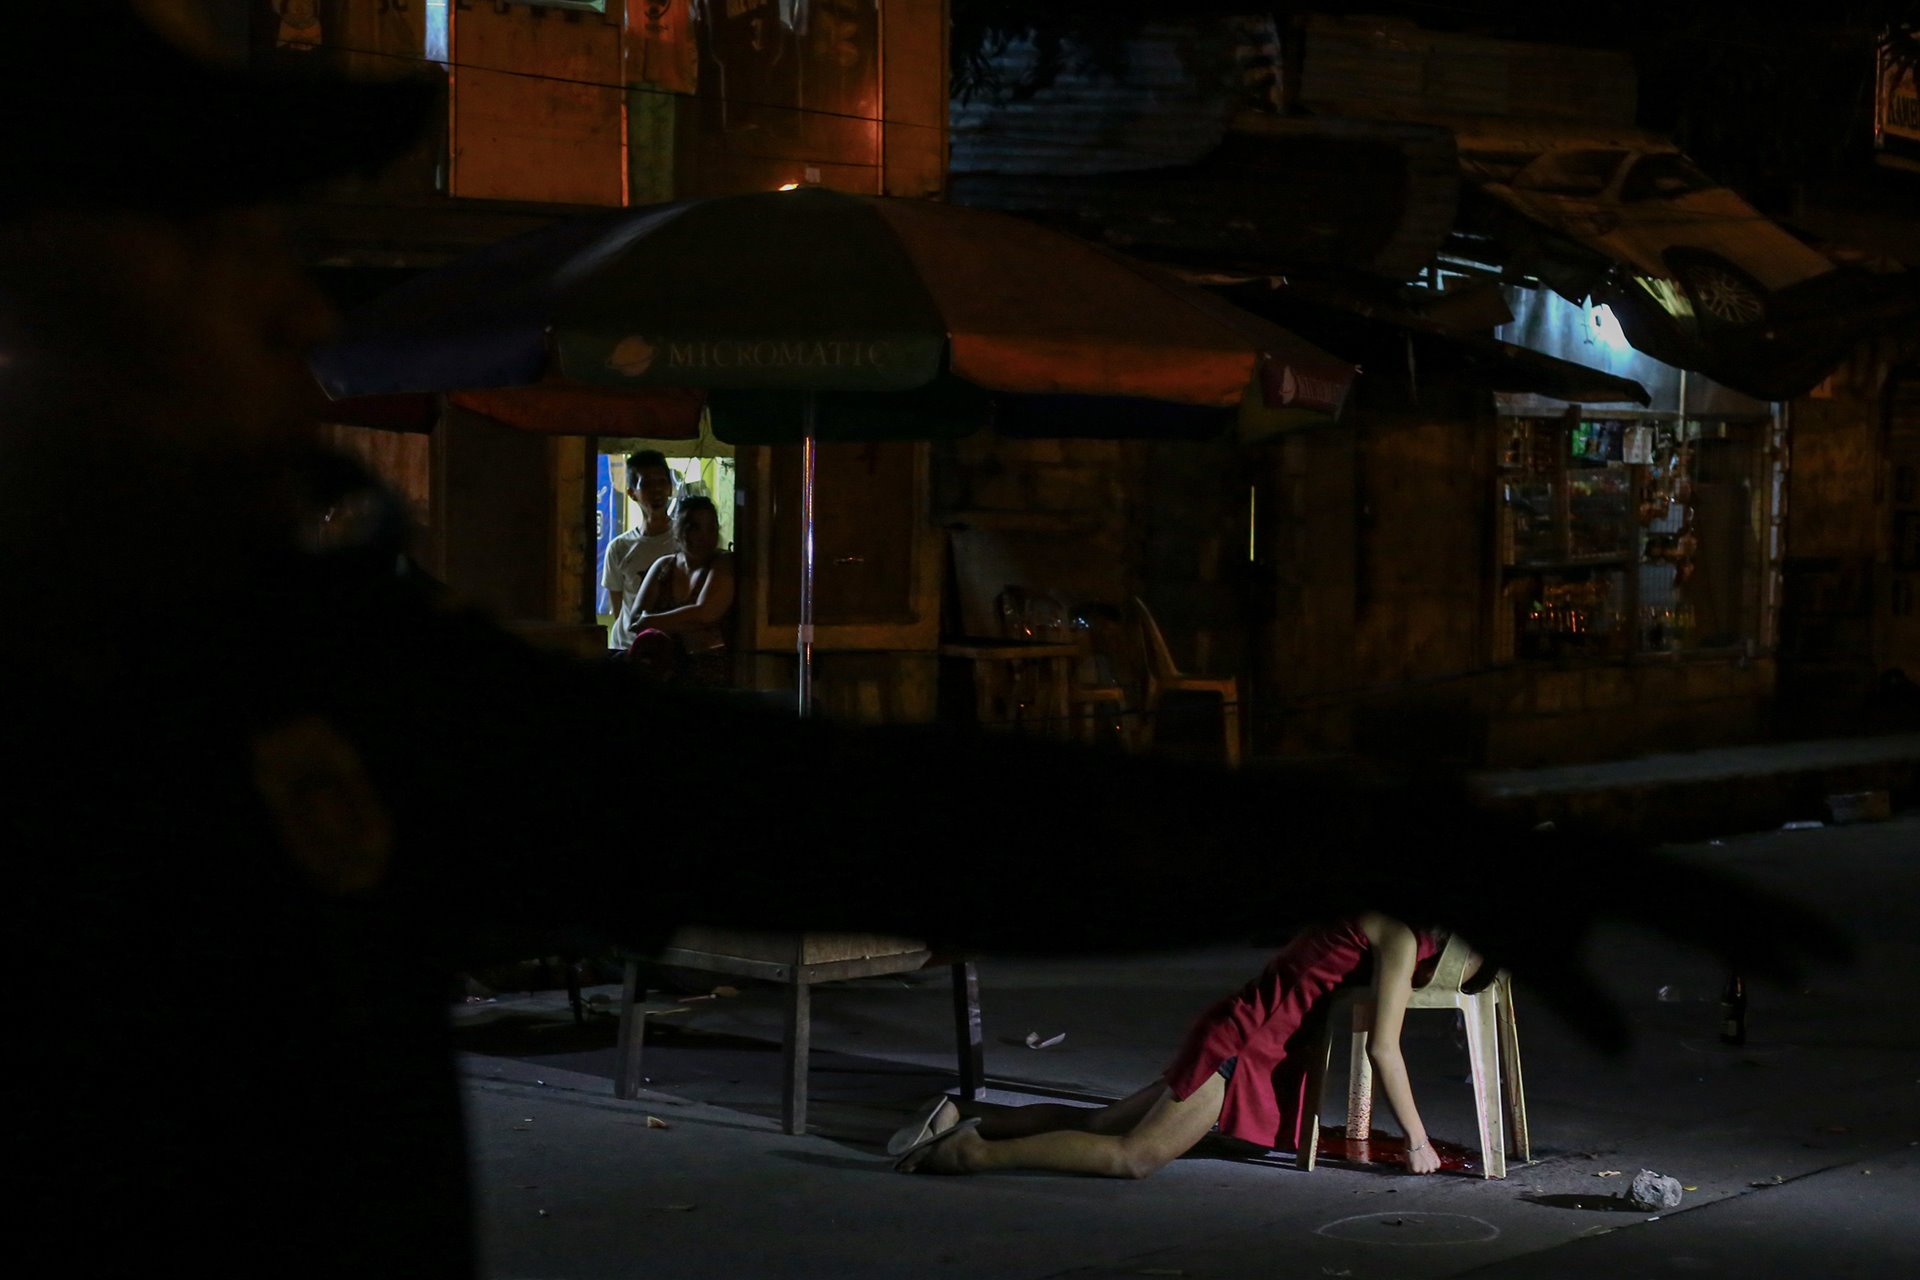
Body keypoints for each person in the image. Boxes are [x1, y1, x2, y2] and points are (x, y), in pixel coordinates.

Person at [3, 7, 1848, 1276]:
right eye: (200, 235)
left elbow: (859, 814)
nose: (272, 289)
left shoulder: (304, 663)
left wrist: (1353, 846)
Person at [893, 913, 1465, 1177]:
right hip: (1241, 1045)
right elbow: (1384, 1049)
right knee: (1134, 1157)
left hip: (1239, 1028)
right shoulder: (1398, 933)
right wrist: (1417, 1142)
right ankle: (971, 1153)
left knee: (1101, 1126)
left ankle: (962, 1114)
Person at [627, 495, 737, 681]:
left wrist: (651, 621)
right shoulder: (663, 567)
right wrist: (687, 623)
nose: (705, 536)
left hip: (708, 679)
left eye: (711, 527)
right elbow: (635, 621)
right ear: (678, 530)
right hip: (660, 677)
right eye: (694, 527)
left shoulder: (723, 563)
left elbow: (706, 613)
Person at [603, 450, 679, 652]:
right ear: (631, 493)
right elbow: (619, 610)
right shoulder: (619, 548)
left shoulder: (685, 541)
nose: (657, 490)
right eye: (646, 484)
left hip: (670, 648)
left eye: (662, 482)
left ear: (670, 488)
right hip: (626, 648)